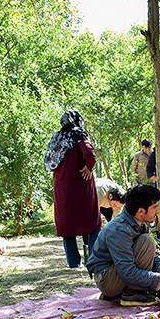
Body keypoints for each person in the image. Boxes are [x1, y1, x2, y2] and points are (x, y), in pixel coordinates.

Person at [86, 185, 160, 307]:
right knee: (146, 241)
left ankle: (132, 290)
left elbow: (151, 257)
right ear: (141, 211)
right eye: (154, 207)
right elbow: (127, 271)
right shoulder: (119, 229)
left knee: (146, 242)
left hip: (118, 273)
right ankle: (133, 293)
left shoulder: (139, 221)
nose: (157, 211)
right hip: (107, 280)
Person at [44, 110, 102, 268]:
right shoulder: (78, 135)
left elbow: (47, 162)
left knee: (67, 226)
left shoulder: (56, 138)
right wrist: (89, 167)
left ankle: (73, 263)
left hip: (62, 187)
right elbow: (90, 154)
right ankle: (94, 260)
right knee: (93, 224)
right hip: (81, 187)